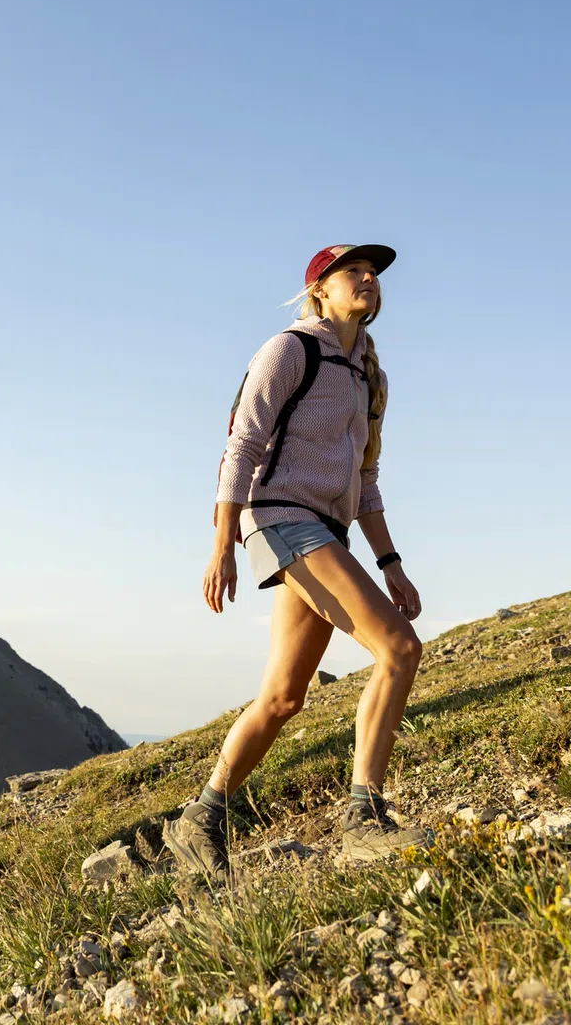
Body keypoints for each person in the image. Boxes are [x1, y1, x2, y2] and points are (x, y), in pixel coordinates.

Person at [167, 244, 428, 877]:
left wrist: (390, 561)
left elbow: (365, 479)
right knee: (399, 649)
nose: (369, 280)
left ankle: (199, 820)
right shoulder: (290, 350)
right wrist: (221, 544)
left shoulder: (370, 376)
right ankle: (363, 819)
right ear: (320, 291)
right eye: (353, 273)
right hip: (279, 516)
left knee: (284, 698)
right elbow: (242, 444)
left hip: (326, 531)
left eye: (374, 275)